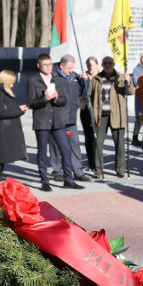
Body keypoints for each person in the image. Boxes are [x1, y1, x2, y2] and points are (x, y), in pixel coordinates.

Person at [28, 53, 84, 192]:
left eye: (50, 64)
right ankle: (44, 182)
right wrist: (45, 98)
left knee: (66, 149)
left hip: (58, 121)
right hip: (42, 121)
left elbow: (64, 100)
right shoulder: (33, 81)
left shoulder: (58, 80)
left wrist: (57, 99)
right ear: (39, 66)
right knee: (42, 151)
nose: (48, 67)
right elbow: (31, 103)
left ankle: (68, 180)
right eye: (45, 65)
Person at [49, 55, 91, 182]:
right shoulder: (52, 76)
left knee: (74, 145)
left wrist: (84, 82)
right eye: (69, 68)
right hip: (57, 117)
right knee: (56, 146)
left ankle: (78, 171)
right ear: (61, 66)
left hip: (71, 118)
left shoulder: (73, 76)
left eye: (72, 68)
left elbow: (80, 92)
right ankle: (57, 171)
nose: (71, 71)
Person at [88, 56, 131, 178]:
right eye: (105, 63)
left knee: (120, 144)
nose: (107, 65)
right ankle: (98, 169)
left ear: (113, 64)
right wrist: (91, 109)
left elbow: (131, 92)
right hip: (100, 116)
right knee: (98, 143)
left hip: (117, 115)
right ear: (102, 64)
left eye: (110, 62)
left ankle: (120, 169)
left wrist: (129, 81)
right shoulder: (96, 78)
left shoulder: (121, 77)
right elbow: (89, 95)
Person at [0, 71, 28, 180]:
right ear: (5, 81)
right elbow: (1, 112)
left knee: (0, 159)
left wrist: (18, 109)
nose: (12, 85)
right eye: (11, 83)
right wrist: (19, 111)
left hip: (4, 130)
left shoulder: (0, 92)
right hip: (0, 130)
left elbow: (5, 109)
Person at [79, 56, 100, 172]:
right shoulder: (83, 77)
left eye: (91, 65)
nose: (89, 67)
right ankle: (90, 162)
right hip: (85, 110)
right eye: (87, 65)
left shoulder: (101, 76)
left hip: (97, 111)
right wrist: (84, 81)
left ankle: (97, 162)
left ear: (97, 65)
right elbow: (81, 92)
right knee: (88, 138)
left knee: (96, 138)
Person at [131, 53, 143, 146]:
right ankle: (135, 138)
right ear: (141, 60)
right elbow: (135, 82)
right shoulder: (137, 69)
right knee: (139, 119)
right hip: (140, 96)